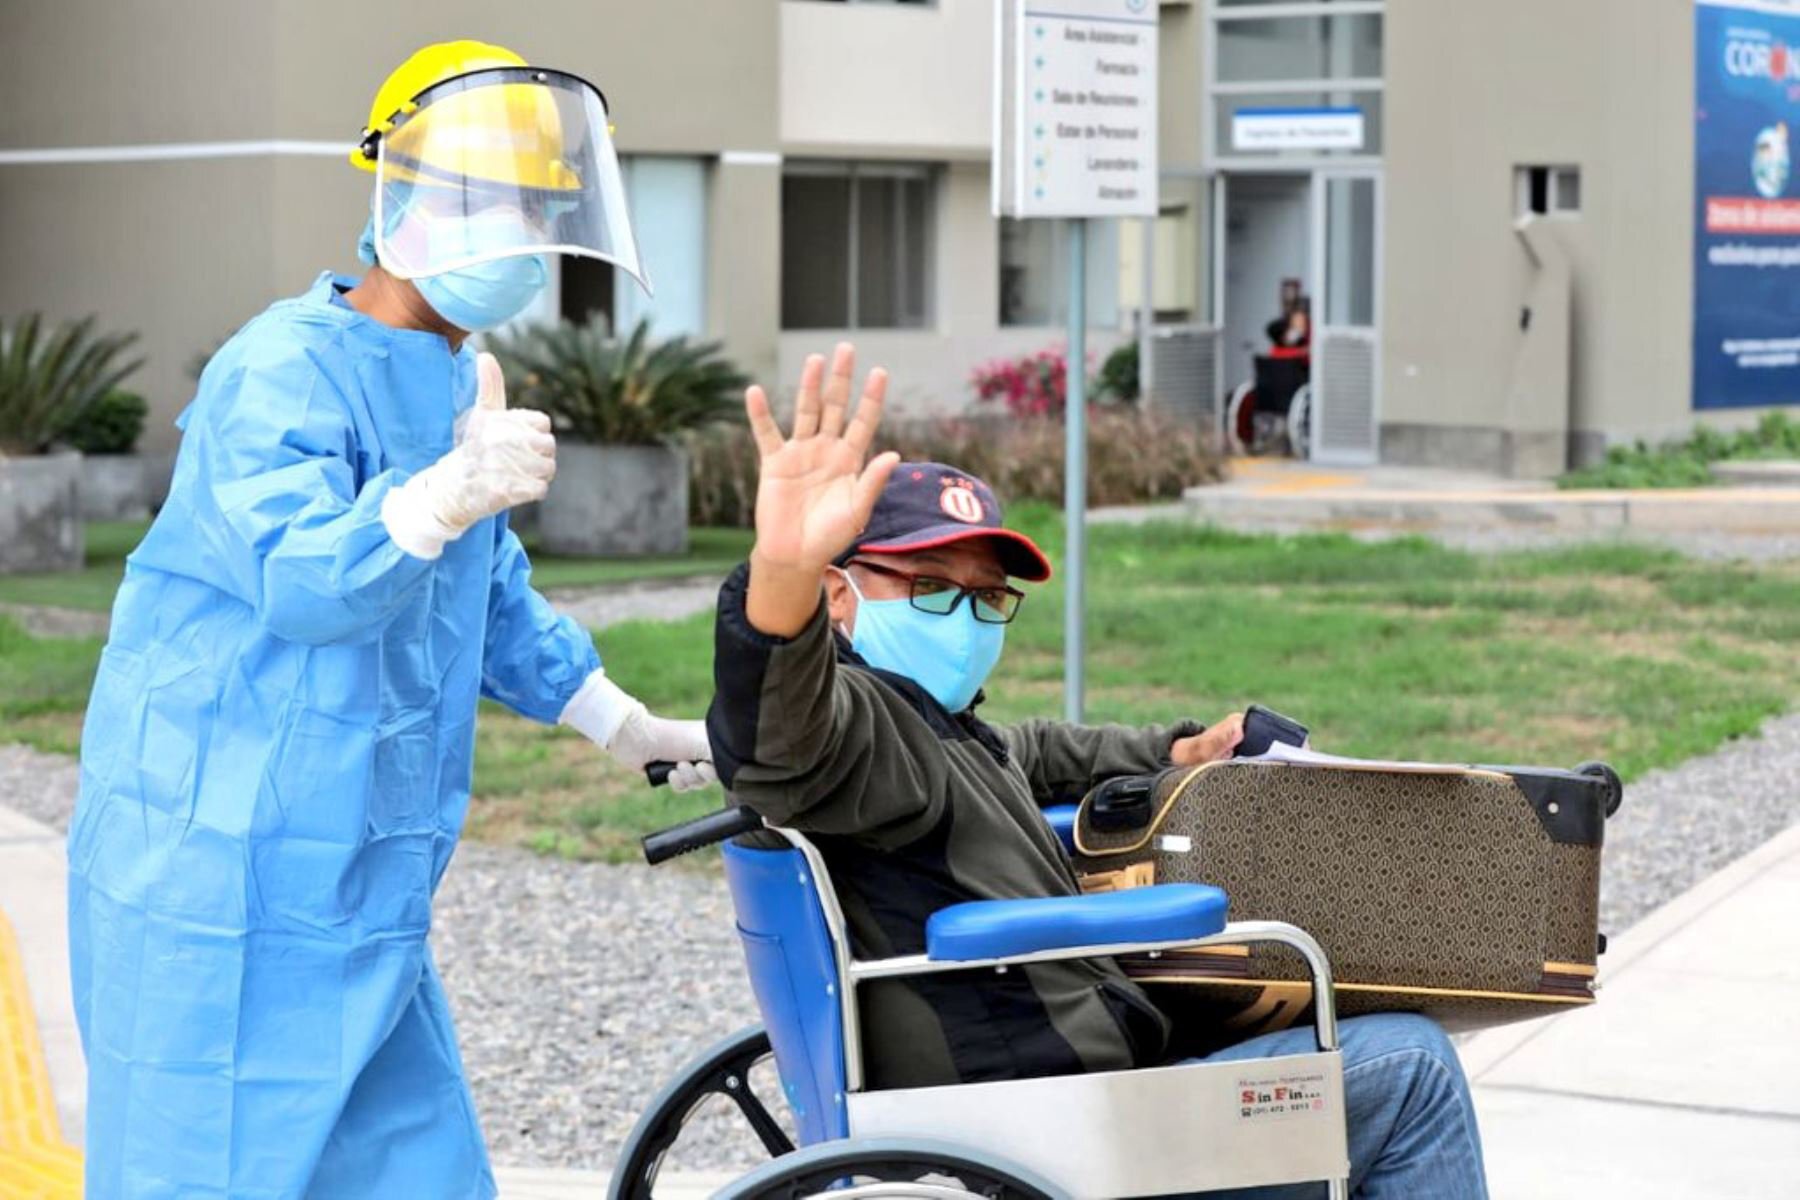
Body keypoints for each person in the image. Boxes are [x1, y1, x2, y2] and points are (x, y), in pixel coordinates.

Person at [67, 41, 713, 1199]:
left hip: (360, 886)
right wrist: (442, 494)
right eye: (492, 205)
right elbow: (303, 576)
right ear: (401, 201)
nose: (518, 239)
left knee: (416, 1170)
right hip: (216, 879)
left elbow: (484, 598)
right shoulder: (278, 370)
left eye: (536, 213)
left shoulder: (455, 382)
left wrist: (621, 723)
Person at [705, 344, 1489, 1199]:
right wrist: (779, 576)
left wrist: (1178, 753)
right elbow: (779, 742)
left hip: (1045, 1081)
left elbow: (1032, 751)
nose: (964, 619)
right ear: (837, 595)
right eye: (931, 587)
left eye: (987, 596)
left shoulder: (934, 725)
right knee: (1410, 1065)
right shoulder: (862, 732)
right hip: (1049, 1114)